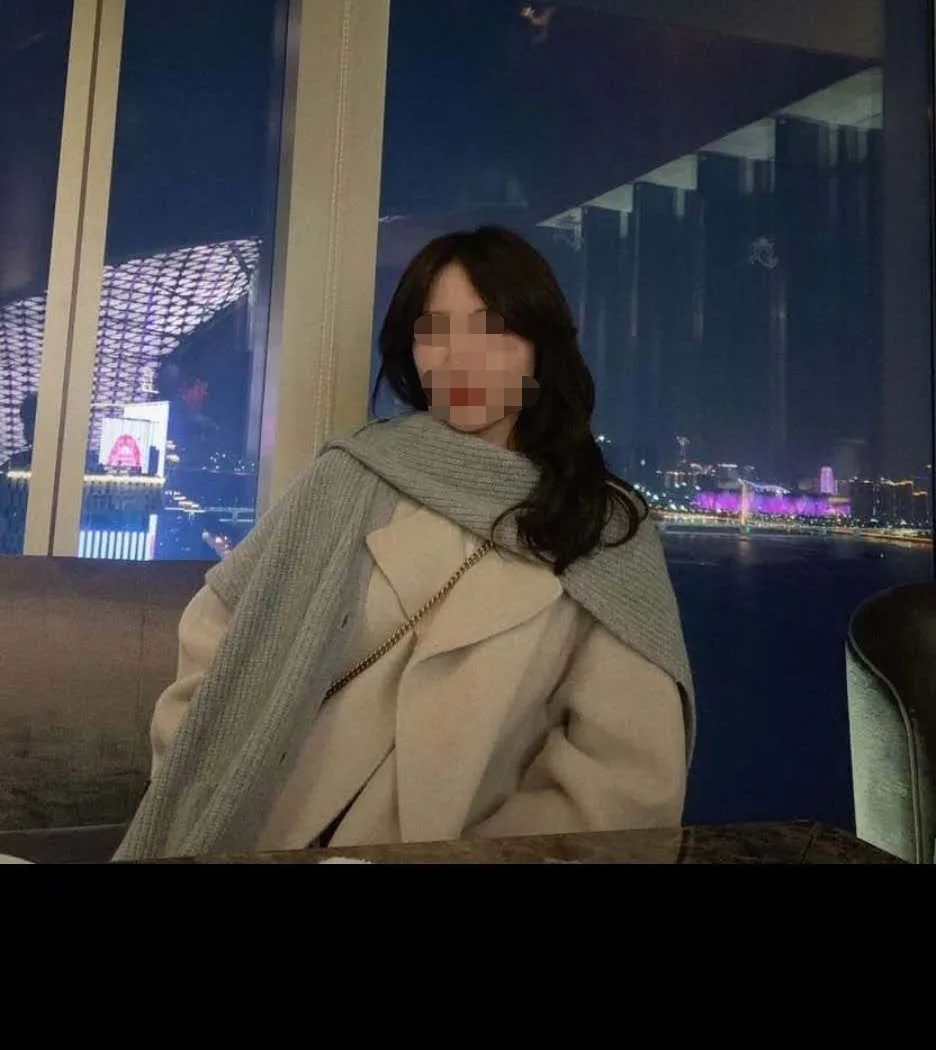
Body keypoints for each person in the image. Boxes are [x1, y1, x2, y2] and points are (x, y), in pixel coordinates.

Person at [113, 227, 695, 862]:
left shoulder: (602, 528)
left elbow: (620, 779)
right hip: (259, 834)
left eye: (492, 328)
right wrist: (199, 777)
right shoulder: (353, 474)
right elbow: (217, 631)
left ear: (539, 346)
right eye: (434, 330)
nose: (459, 356)